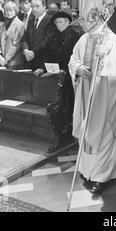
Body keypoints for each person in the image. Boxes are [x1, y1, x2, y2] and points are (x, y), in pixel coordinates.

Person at [69, 0, 116, 194]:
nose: (83, 24)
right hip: (86, 94)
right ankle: (87, 170)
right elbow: (73, 59)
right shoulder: (84, 38)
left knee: (104, 133)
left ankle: (103, 175)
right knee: (87, 131)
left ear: (95, 18)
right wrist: (79, 69)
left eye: (86, 20)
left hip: (104, 96)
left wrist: (103, 61)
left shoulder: (110, 38)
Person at [34, 11, 83, 151]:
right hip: (58, 74)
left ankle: (71, 128)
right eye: (56, 23)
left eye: (61, 22)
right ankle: (63, 129)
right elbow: (48, 55)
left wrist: (68, 69)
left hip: (72, 74)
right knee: (60, 100)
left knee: (70, 102)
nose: (59, 25)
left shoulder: (75, 35)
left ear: (68, 22)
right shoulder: (54, 36)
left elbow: (76, 56)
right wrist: (42, 68)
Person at [21, 0, 55, 71]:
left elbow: (47, 41)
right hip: (29, 61)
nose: (34, 9)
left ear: (44, 7)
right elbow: (25, 38)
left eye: (37, 6)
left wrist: (33, 53)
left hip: (42, 61)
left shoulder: (50, 21)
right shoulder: (30, 20)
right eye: (32, 6)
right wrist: (26, 50)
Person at [0, 1, 26, 69]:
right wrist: (0, 56)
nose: (8, 12)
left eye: (11, 10)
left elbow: (17, 44)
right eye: (6, 11)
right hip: (2, 61)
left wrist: (6, 59)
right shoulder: (3, 25)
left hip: (15, 61)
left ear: (15, 11)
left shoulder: (20, 24)